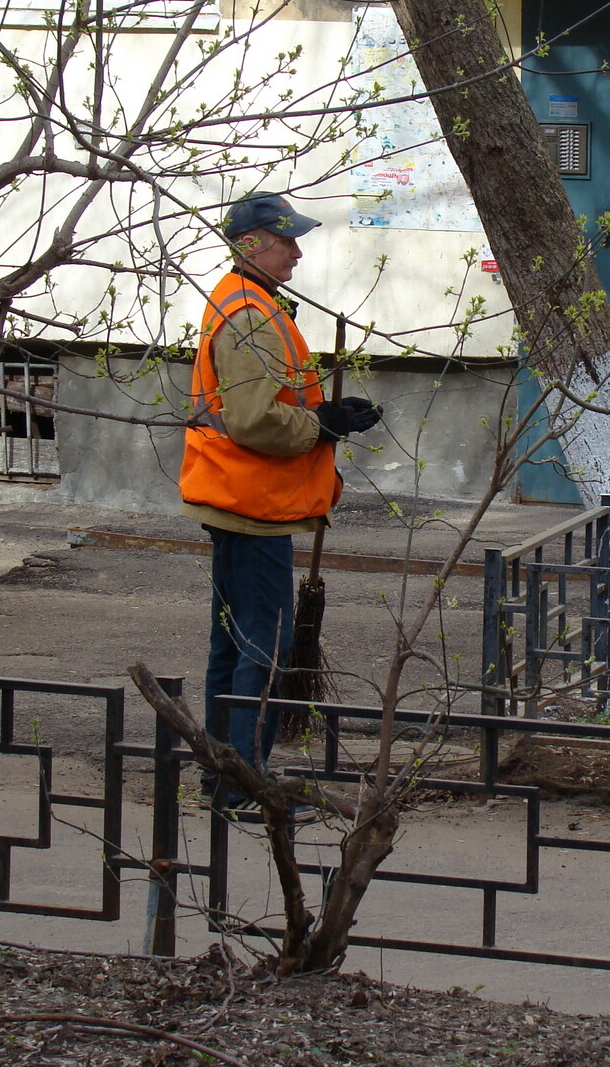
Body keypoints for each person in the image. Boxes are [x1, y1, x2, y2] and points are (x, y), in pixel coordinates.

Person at [178, 191, 381, 792]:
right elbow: (254, 419)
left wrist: (329, 415)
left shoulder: (244, 299)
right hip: (254, 504)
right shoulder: (251, 316)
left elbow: (262, 404)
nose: (297, 252)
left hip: (238, 496)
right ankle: (246, 784)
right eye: (286, 240)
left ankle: (224, 774)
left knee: (234, 642)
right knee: (261, 647)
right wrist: (323, 425)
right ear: (250, 244)